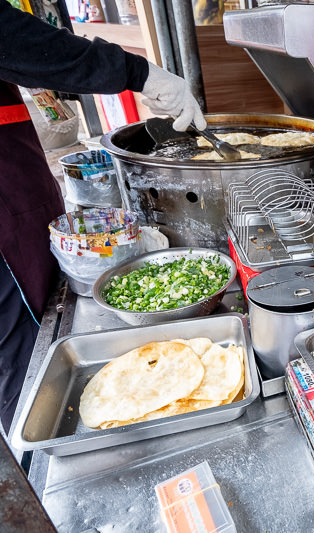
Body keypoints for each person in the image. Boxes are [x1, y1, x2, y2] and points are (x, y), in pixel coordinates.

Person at [0, 0, 206, 432]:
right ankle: (40, 446)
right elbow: (25, 43)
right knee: (23, 354)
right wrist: (139, 73)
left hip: (15, 187)